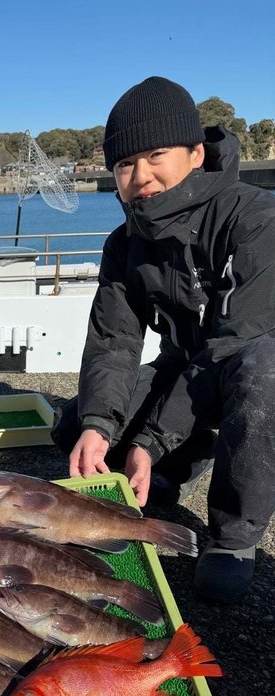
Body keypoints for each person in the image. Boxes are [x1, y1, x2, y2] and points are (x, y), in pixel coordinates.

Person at [52, 76, 275, 604]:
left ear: (196, 154)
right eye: (125, 164)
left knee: (262, 375)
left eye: (156, 156)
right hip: (185, 366)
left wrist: (150, 439)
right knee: (75, 428)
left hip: (247, 365)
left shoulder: (256, 219)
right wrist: (97, 425)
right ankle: (182, 462)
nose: (141, 176)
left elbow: (229, 346)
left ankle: (233, 537)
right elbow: (114, 340)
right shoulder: (124, 244)